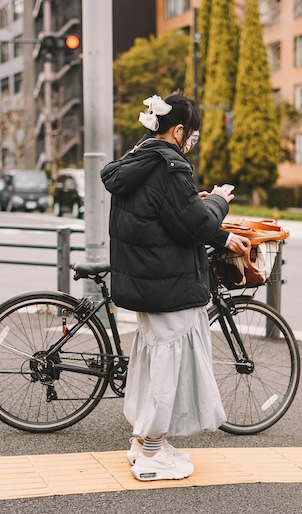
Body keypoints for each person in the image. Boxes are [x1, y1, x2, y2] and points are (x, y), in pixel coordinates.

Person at [100, 93, 250, 482]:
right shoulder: (170, 166)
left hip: (145, 280)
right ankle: (152, 453)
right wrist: (218, 201)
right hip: (167, 283)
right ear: (179, 130)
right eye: (192, 136)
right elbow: (195, 225)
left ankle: (146, 443)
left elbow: (168, 215)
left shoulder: (137, 160)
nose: (191, 143)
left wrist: (198, 206)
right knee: (167, 368)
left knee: (153, 363)